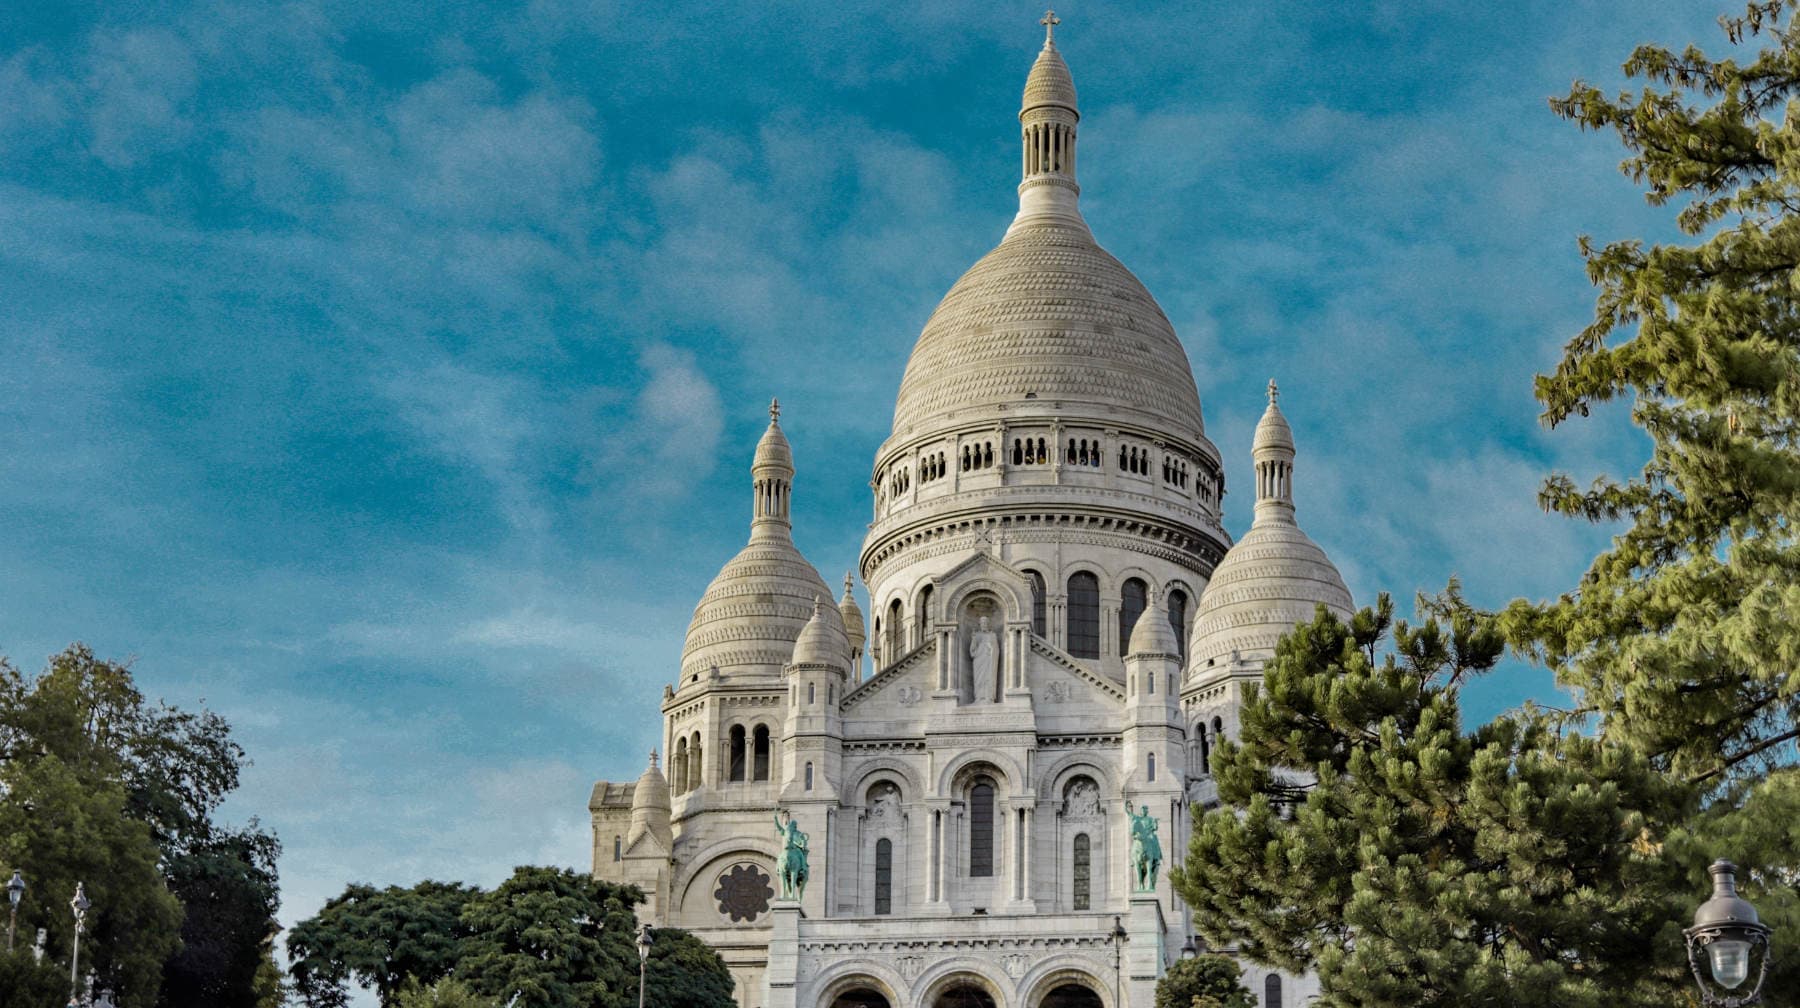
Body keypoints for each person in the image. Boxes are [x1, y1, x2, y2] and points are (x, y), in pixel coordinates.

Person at [774, 810, 809, 900]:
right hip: (787, 849)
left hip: (796, 850)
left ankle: (803, 867)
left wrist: (801, 844)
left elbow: (802, 844)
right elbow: (779, 828)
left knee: (800, 855)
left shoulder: (799, 834)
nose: (793, 827)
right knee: (780, 856)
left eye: (793, 825)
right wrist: (775, 820)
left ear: (795, 826)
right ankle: (778, 867)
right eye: (792, 825)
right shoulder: (786, 831)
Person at [969, 615, 999, 703]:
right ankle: (979, 697)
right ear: (980, 624)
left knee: (989, 677)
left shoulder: (993, 635)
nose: (984, 624)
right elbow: (972, 650)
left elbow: (996, 649)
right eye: (982, 623)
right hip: (979, 660)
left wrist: (992, 648)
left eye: (985, 623)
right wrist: (974, 641)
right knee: (979, 679)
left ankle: (989, 697)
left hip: (989, 660)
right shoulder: (976, 635)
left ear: (988, 624)